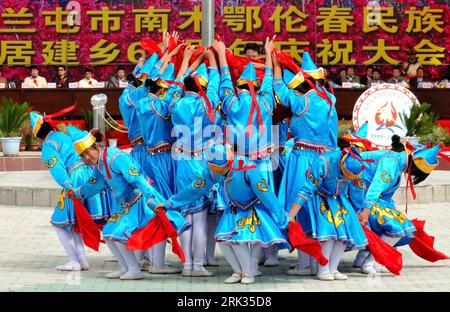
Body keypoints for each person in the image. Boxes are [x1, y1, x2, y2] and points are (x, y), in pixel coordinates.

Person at [66, 126, 190, 280]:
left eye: (87, 152)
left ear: (97, 146)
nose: (86, 158)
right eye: (82, 156)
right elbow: (94, 184)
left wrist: (151, 199)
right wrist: (77, 193)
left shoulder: (114, 157)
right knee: (109, 233)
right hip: (125, 203)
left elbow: (137, 179)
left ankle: (134, 270)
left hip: (139, 199)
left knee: (117, 233)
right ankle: (125, 268)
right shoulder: (100, 163)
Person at [156, 143, 290, 285]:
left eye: (219, 169)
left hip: (252, 208)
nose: (216, 172)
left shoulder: (247, 167)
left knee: (238, 240)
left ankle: (248, 273)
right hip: (233, 209)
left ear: (227, 164)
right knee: (223, 240)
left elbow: (266, 194)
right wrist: (168, 204)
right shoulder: (213, 170)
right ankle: (238, 271)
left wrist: (282, 218)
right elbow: (194, 189)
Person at [215, 37, 281, 268]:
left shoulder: (231, 103)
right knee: (265, 203)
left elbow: (224, 79)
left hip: (241, 165)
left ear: (239, 85)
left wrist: (222, 53)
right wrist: (269, 53)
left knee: (242, 208)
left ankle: (247, 262)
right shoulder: (266, 102)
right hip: (263, 162)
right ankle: (269, 253)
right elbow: (270, 79)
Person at [273, 50, 338, 276]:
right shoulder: (330, 100)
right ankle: (316, 263)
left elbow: (279, 89)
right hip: (324, 158)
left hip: (302, 159)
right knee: (317, 210)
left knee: (298, 207)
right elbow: (332, 133)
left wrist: (275, 65)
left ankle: (304, 264)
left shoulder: (301, 102)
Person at [29, 112, 111, 271]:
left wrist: (67, 185)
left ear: (38, 136)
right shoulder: (63, 135)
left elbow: (56, 167)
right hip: (89, 173)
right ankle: (81, 260)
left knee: (59, 222)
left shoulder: (48, 145)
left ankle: (74, 261)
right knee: (74, 221)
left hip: (74, 178)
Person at [169, 46, 224, 277]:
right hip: (201, 161)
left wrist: (190, 61)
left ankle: (186, 264)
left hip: (182, 161)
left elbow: (176, 84)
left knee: (185, 213)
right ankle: (198, 265)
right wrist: (212, 60)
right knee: (200, 217)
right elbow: (215, 84)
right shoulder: (206, 104)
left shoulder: (176, 103)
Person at [357, 136, 442, 274]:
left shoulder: (396, 161)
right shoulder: (391, 162)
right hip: (359, 199)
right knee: (398, 226)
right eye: (416, 174)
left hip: (362, 196)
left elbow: (386, 198)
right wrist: (366, 211)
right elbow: (376, 188)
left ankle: (362, 256)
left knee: (398, 220)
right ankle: (371, 261)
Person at [288, 147, 369, 281]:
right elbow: (307, 189)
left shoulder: (357, 165)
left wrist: (358, 212)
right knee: (329, 232)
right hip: (317, 198)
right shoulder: (323, 162)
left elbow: (356, 191)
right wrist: (291, 215)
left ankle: (333, 268)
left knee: (344, 233)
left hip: (338, 199)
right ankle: (323, 270)